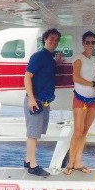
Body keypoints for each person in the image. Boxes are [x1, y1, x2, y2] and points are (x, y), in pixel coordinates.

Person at [24, 27, 63, 177]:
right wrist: (32, 99)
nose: (53, 41)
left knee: (36, 132)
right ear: (45, 39)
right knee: (33, 134)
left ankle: (28, 160)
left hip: (44, 100)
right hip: (36, 100)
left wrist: (56, 63)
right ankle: (33, 166)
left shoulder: (49, 58)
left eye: (56, 40)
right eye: (50, 38)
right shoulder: (39, 56)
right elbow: (27, 77)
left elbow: (46, 72)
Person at [65, 31, 95, 175]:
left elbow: (91, 78)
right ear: (83, 43)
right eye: (87, 42)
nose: (90, 45)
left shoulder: (92, 59)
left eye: (93, 42)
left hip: (93, 99)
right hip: (80, 99)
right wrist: (93, 83)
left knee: (85, 131)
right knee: (78, 131)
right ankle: (70, 163)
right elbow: (76, 78)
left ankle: (78, 162)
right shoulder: (78, 58)